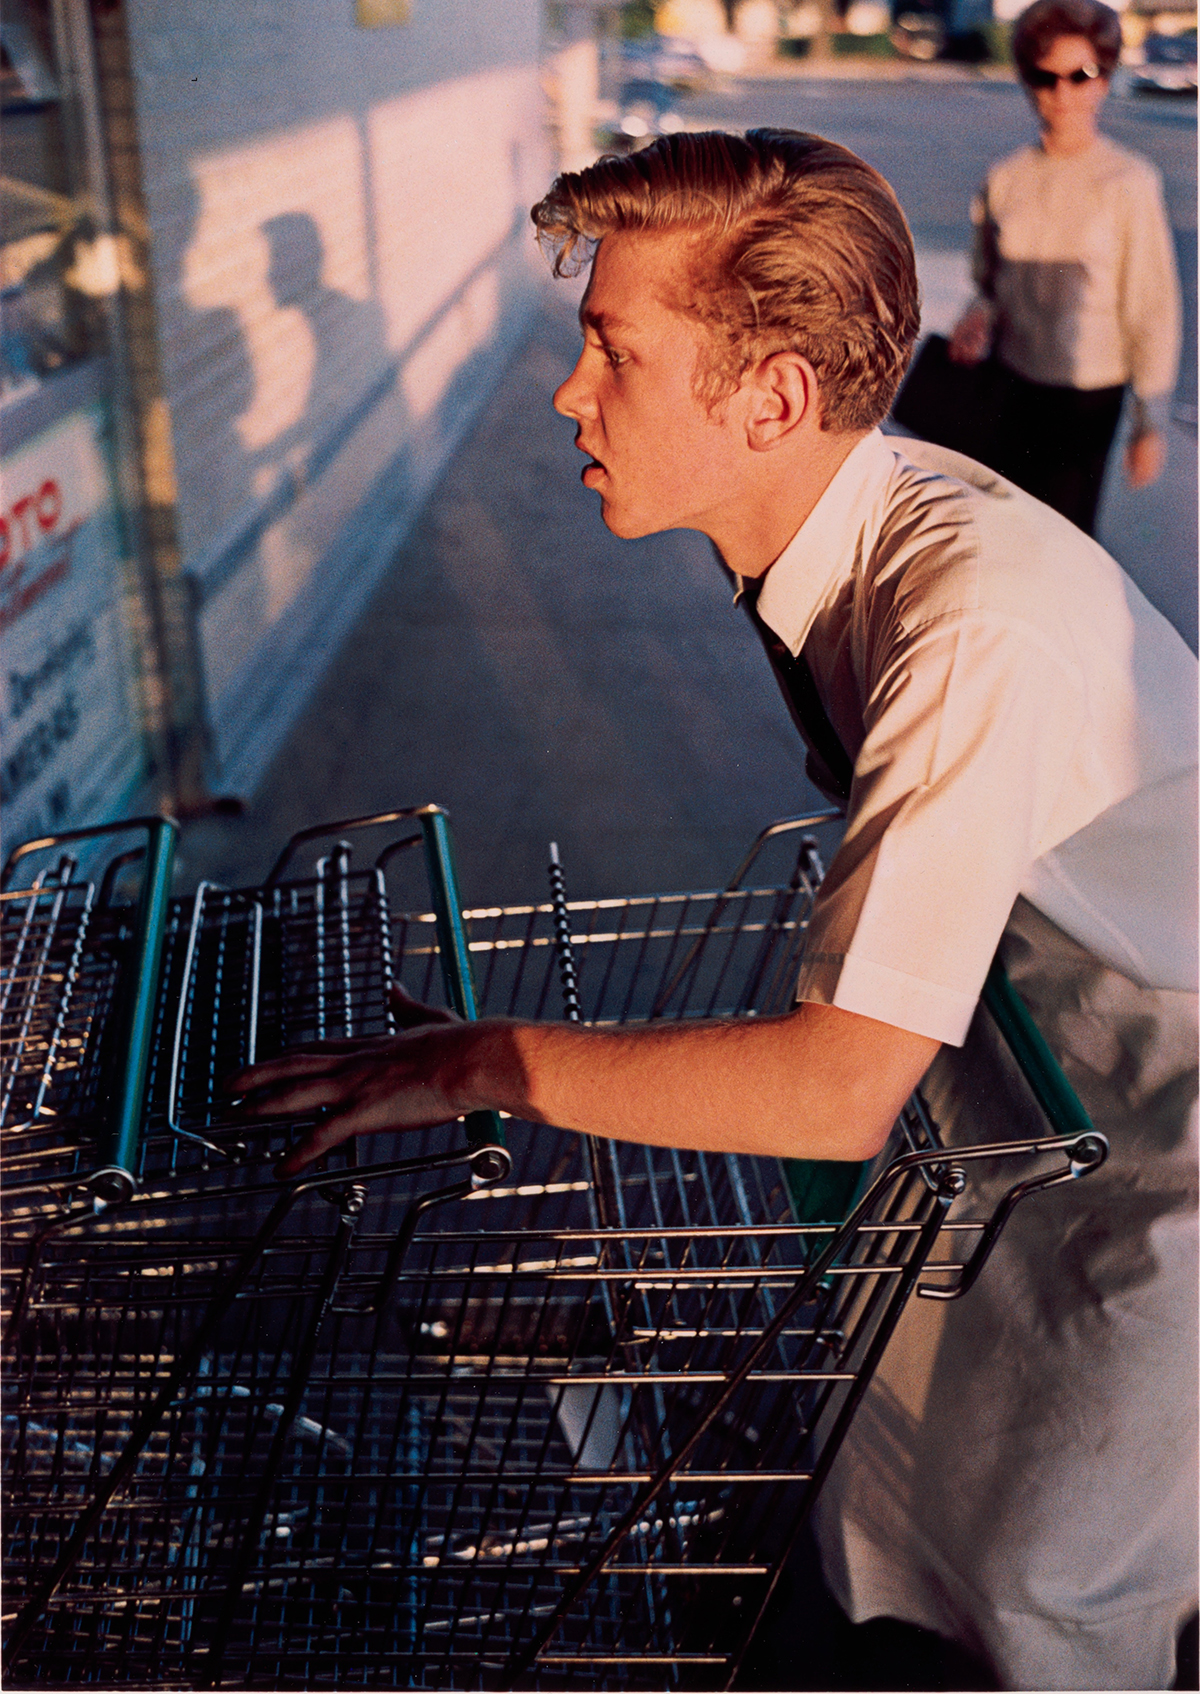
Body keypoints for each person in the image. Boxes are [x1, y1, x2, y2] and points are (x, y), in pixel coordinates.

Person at [230, 130, 1198, 1690]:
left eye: (614, 348)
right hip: (1046, 1042)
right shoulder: (821, 537)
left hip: (1170, 1110)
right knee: (903, 1474)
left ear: (771, 400)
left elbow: (832, 1086)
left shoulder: (972, 626)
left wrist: (493, 1061)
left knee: (1051, 1574)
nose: (570, 390)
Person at [948, 0, 1182, 537]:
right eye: (1043, 77)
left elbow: (1152, 305)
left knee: (1064, 543)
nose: (1062, 93)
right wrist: (977, 312)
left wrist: (1151, 423)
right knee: (1003, 536)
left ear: (1105, 77)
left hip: (1087, 397)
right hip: (1010, 386)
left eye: (1079, 76)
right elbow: (988, 279)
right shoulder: (1006, 177)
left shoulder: (1130, 182)